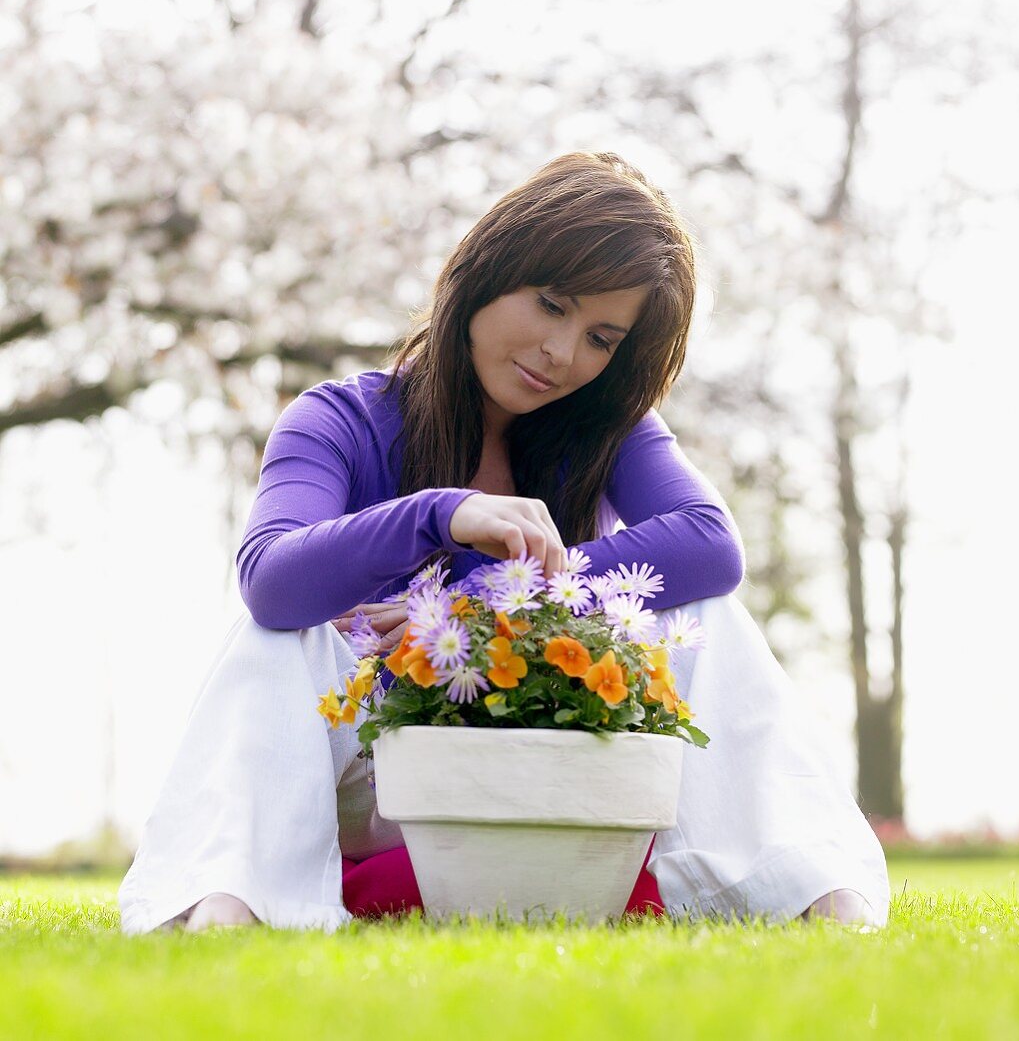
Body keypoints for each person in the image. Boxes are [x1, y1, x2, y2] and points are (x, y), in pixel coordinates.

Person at [118, 151, 890, 933]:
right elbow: (270, 580)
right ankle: (234, 900)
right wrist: (440, 516)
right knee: (275, 638)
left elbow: (712, 545)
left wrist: (467, 609)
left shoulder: (602, 431)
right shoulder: (337, 420)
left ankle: (810, 886)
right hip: (379, 777)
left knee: (713, 620)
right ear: (486, 270)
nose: (563, 352)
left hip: (552, 760)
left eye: (601, 336)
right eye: (551, 303)